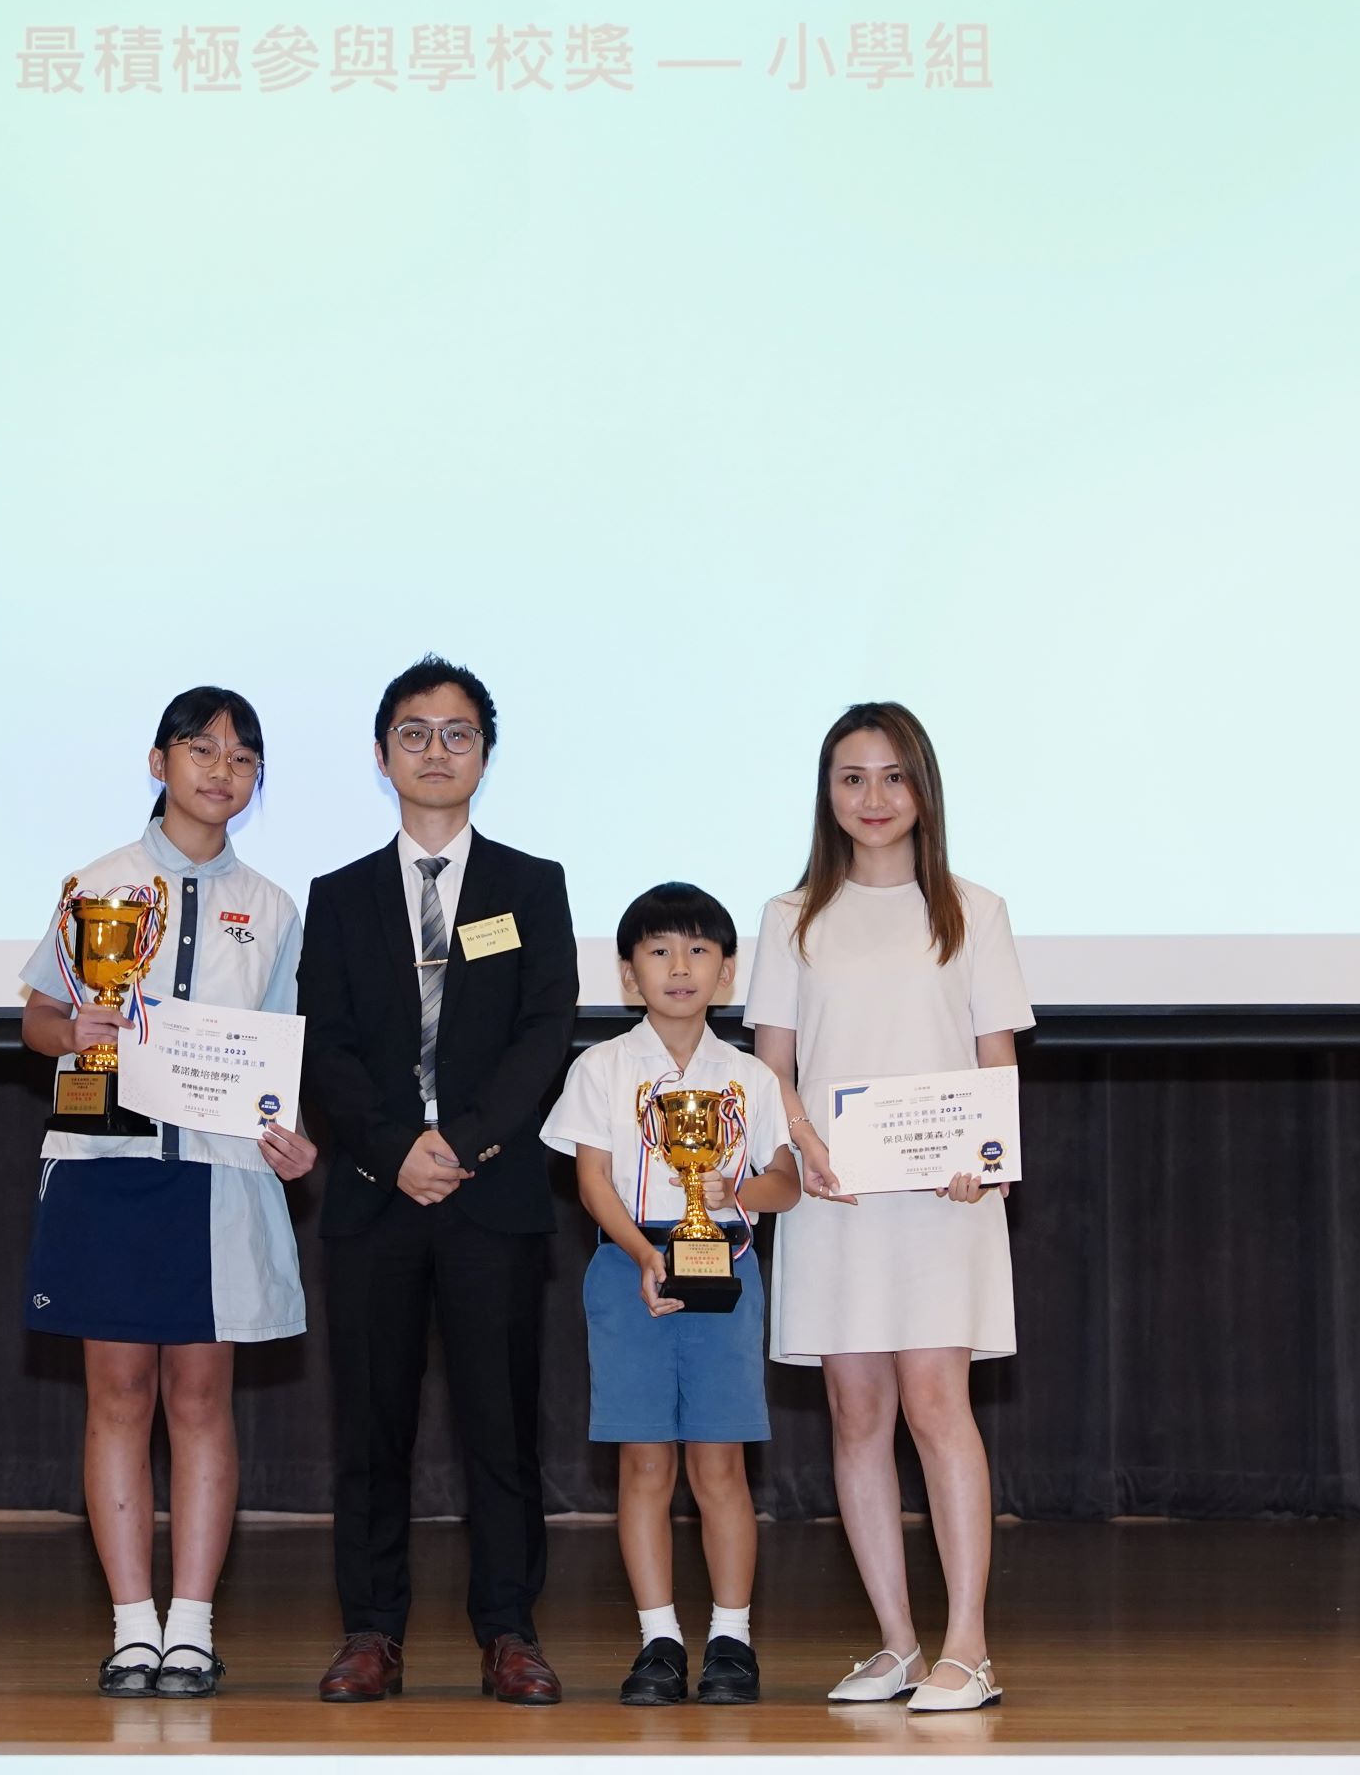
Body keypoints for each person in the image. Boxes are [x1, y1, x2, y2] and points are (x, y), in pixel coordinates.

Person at [16, 685, 321, 1700]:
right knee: (118, 1394)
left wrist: (289, 1132)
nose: (220, 769)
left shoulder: (274, 907)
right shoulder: (96, 884)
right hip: (107, 1166)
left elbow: (279, 1053)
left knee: (200, 1398)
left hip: (220, 1174)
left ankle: (192, 1624)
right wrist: (79, 1034)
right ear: (159, 763)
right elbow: (39, 1019)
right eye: (200, 749)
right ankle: (131, 1625)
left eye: (242, 757)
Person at [297, 655, 579, 1706]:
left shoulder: (529, 886)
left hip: (491, 1195)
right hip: (375, 1197)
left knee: (499, 1428)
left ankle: (509, 1629)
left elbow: (545, 1031)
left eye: (457, 733)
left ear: (485, 755)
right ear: (383, 756)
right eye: (414, 733)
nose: (435, 751)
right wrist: (391, 1146)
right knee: (371, 1430)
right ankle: (371, 1629)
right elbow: (323, 1041)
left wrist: (459, 1141)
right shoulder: (338, 897)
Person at [744, 702, 1032, 1715]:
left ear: (924, 789)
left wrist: (983, 1158)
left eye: (893, 776)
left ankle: (969, 1645)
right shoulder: (791, 917)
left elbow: (996, 1057)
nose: (873, 798)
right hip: (835, 1196)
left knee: (937, 1408)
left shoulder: (972, 908)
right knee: (855, 1414)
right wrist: (804, 1146)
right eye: (852, 778)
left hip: (941, 1203)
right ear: (827, 793)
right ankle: (900, 1642)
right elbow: (771, 1063)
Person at [539, 882, 801, 1708]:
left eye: (698, 951)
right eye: (658, 951)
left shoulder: (751, 1078)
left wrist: (737, 1194)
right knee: (646, 1462)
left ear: (727, 974)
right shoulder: (602, 1068)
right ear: (628, 975)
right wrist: (640, 1255)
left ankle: (732, 1638)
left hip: (725, 1266)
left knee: (720, 1463)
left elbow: (788, 1181)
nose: (679, 967)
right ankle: (659, 1640)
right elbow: (591, 1178)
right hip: (629, 1266)